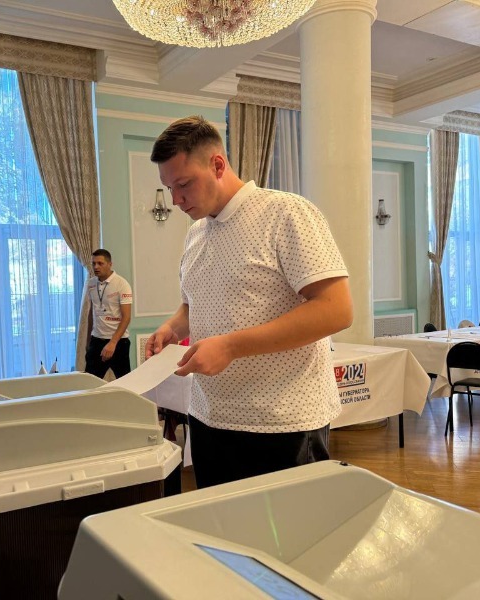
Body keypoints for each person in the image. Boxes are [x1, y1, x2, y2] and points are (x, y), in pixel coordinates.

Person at [145, 115, 353, 489]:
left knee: (288, 528)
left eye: (183, 184)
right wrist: (172, 327)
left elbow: (336, 309)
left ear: (217, 165)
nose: (175, 200)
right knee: (221, 524)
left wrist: (231, 346)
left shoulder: (287, 213)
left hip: (282, 423)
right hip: (209, 418)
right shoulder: (196, 233)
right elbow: (195, 303)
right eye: (169, 188)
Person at [85, 249, 133, 379]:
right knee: (90, 383)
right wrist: (88, 340)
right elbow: (91, 314)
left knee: (125, 384)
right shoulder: (91, 284)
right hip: (96, 340)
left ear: (110, 264)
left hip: (118, 342)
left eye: (100, 263)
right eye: (94, 263)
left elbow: (126, 317)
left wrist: (113, 343)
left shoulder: (122, 284)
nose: (96, 267)